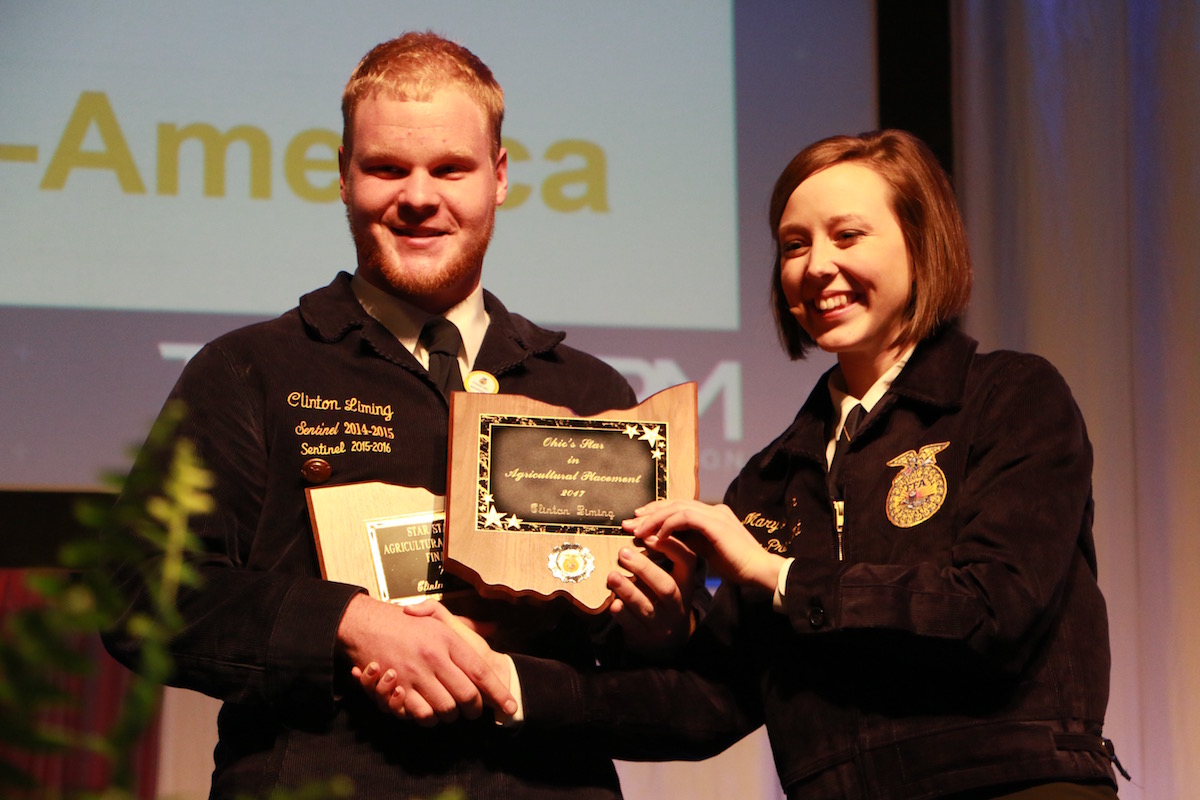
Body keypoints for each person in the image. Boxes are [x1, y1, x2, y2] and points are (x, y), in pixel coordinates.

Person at [442, 130, 1123, 799]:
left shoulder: (1009, 397)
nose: (816, 266)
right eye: (795, 245)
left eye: (847, 235)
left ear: (922, 244)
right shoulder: (773, 478)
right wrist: (508, 679)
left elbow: (992, 610)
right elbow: (707, 704)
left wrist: (779, 575)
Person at [101, 31, 688, 800]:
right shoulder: (252, 370)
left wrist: (657, 623)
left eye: (450, 168)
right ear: (344, 176)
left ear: (499, 177)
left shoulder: (588, 391)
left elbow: (644, 673)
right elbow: (140, 591)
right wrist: (347, 624)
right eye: (386, 168)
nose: (417, 196)